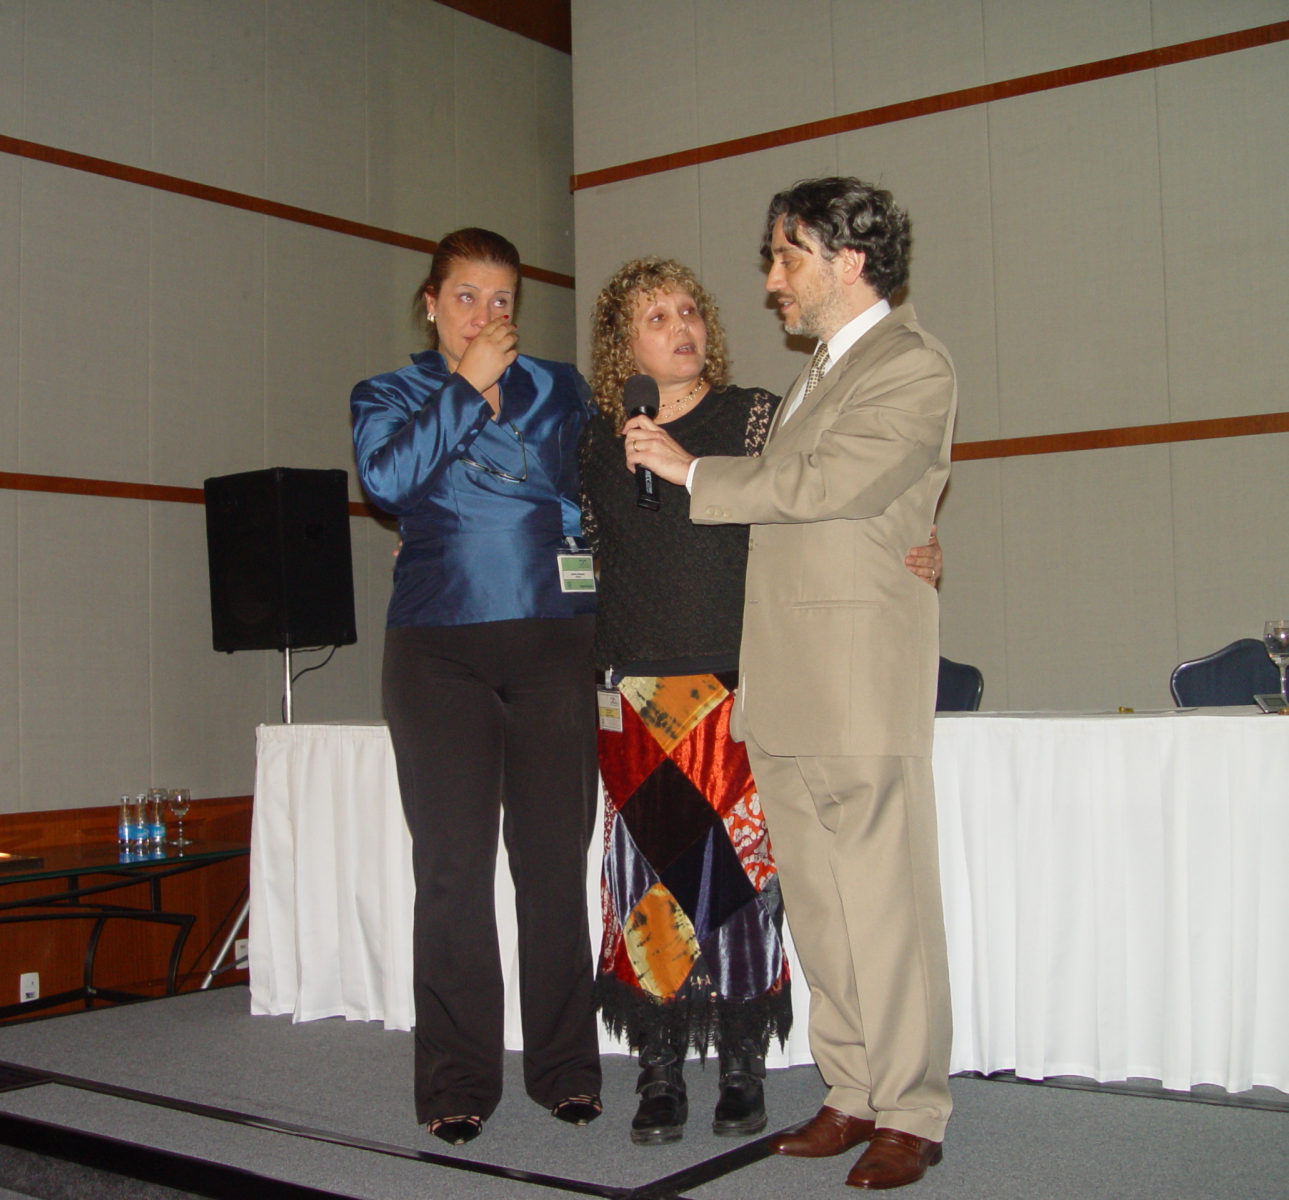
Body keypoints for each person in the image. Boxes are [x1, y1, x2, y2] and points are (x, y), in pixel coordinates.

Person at [623, 179, 957, 1190]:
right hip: (787, 683)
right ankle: (851, 1090)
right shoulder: (819, 372)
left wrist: (689, 471)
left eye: (786, 256)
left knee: (886, 908)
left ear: (846, 259)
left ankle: (911, 1111)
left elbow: (829, 486)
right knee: (820, 911)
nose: (772, 280)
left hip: (856, 681)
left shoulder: (912, 364)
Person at [351, 228, 603, 1147]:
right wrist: (464, 388)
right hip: (437, 652)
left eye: (501, 301)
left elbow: (588, 501)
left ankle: (566, 1068)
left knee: (553, 863)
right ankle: (457, 1078)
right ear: (431, 304)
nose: (485, 315)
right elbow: (387, 481)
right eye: (466, 297)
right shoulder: (388, 393)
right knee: (453, 870)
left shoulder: (560, 387)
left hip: (551, 642)